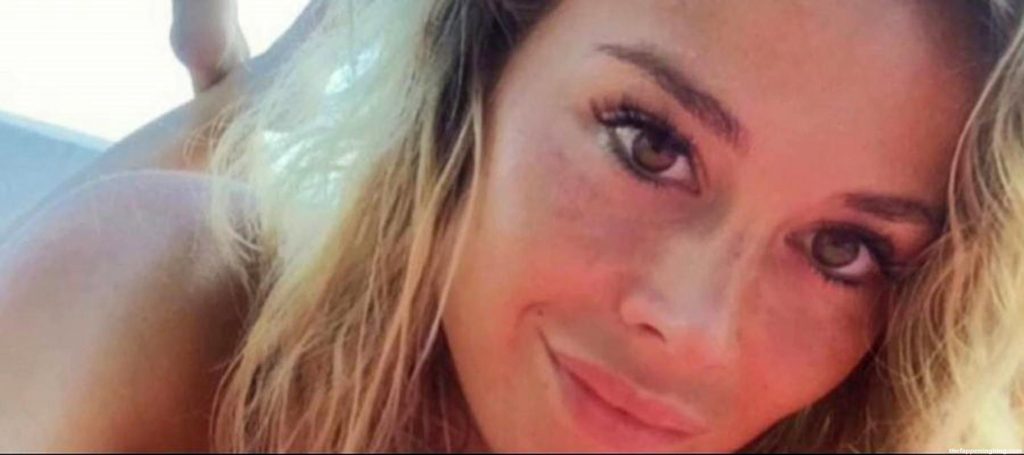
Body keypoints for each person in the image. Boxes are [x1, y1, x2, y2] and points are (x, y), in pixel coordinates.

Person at [2, 0, 1023, 452]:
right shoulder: (163, 304)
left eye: (844, 249)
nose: (696, 327)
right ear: (482, 60)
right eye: (648, 144)